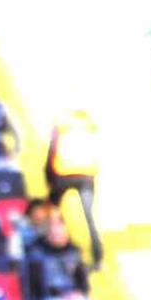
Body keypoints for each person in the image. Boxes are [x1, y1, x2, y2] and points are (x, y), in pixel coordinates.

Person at [45, 108, 102, 268]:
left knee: (52, 215)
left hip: (62, 174)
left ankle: (52, 249)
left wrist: (49, 178)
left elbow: (52, 149)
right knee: (89, 218)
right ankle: (98, 258)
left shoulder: (61, 124)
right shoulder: (88, 124)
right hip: (86, 175)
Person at [27, 215, 94, 300]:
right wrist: (63, 295)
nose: (57, 235)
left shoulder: (74, 252)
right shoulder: (37, 253)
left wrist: (77, 293)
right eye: (53, 233)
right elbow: (37, 285)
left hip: (74, 298)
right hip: (49, 299)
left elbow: (82, 281)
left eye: (59, 233)